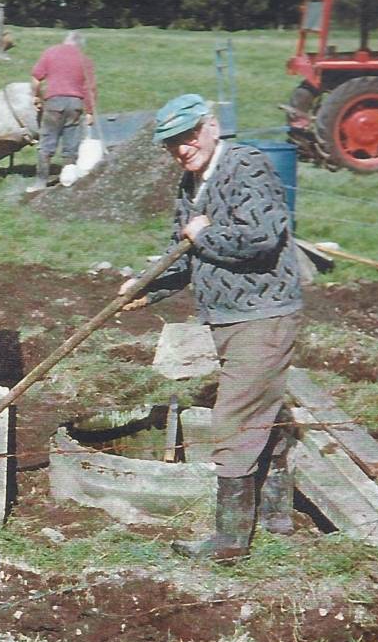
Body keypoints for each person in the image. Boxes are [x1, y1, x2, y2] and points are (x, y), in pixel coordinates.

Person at [121, 94, 305, 561]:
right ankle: (275, 512)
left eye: (190, 135)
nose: (183, 148)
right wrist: (149, 287)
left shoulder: (247, 165)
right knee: (259, 408)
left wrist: (202, 233)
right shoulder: (190, 185)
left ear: (212, 127)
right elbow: (183, 255)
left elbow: (263, 237)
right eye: (172, 143)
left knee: (233, 417)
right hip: (228, 316)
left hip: (262, 312)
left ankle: (229, 542)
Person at [28, 31, 97, 192]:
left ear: (66, 41)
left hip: (54, 102)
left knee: (47, 142)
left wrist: (36, 97)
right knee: (71, 144)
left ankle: (40, 183)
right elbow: (90, 89)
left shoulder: (51, 52)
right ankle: (68, 183)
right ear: (80, 45)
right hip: (75, 105)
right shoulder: (85, 60)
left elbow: (36, 79)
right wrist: (90, 112)